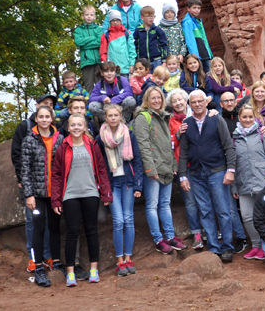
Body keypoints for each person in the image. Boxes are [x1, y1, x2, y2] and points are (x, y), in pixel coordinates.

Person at [51, 114, 112, 286]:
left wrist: (106, 192)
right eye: (73, 125)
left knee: (92, 231)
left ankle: (94, 270)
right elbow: (56, 175)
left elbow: (101, 169)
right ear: (68, 128)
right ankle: (70, 273)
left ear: (84, 127)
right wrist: (56, 200)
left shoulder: (92, 146)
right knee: (72, 233)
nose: (76, 127)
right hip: (70, 195)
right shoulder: (63, 147)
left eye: (79, 125)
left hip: (90, 193)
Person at [178, 89, 237, 262]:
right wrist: (183, 176)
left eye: (200, 101)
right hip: (196, 174)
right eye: (193, 102)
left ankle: (227, 247)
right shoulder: (187, 124)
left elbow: (228, 146)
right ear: (190, 105)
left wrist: (230, 170)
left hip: (217, 172)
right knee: (205, 211)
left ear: (205, 102)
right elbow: (183, 153)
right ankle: (214, 248)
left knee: (224, 211)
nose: (197, 104)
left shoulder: (216, 119)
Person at [133, 87, 187, 255]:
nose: (156, 100)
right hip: (154, 169)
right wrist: (150, 168)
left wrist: (173, 166)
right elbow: (143, 145)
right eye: (153, 98)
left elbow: (167, 144)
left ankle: (170, 236)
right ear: (147, 100)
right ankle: (158, 239)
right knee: (152, 205)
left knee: (165, 203)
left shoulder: (164, 116)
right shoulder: (143, 118)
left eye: (159, 98)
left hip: (166, 167)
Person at [11, 93, 57, 273]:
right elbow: (18, 156)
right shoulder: (25, 128)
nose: (47, 108)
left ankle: (47, 255)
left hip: (51, 188)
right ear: (37, 107)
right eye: (44, 105)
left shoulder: (57, 133)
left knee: (48, 223)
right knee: (33, 222)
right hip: (32, 187)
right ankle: (33, 258)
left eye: (50, 105)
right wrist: (22, 180)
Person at [96, 104, 143, 276]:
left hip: (128, 182)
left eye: (116, 115)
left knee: (129, 219)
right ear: (105, 118)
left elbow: (137, 160)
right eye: (110, 115)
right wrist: (104, 189)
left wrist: (139, 185)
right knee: (118, 220)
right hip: (112, 183)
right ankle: (119, 261)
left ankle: (128, 258)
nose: (113, 118)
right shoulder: (100, 138)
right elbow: (99, 166)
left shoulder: (128, 134)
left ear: (121, 116)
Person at [20, 105, 65, 287]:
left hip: (54, 194)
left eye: (48, 116)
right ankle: (38, 266)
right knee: (38, 229)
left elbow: (63, 168)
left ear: (52, 119)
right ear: (36, 119)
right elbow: (24, 169)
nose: (45, 119)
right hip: (37, 195)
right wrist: (28, 195)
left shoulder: (60, 139)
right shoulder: (29, 140)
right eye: (41, 117)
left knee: (54, 228)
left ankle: (55, 261)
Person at [231, 105, 265, 261]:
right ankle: (256, 245)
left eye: (250, 117)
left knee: (264, 216)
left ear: (255, 118)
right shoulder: (234, 137)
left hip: (263, 181)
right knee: (247, 216)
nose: (247, 120)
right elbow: (233, 163)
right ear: (239, 118)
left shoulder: (263, 134)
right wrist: (234, 185)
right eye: (244, 117)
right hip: (243, 183)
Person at [168, 89, 205, 250]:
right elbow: (168, 145)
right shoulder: (170, 121)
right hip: (184, 167)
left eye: (180, 100)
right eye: (174, 101)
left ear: (186, 101)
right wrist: (177, 134)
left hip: (201, 163)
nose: (178, 103)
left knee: (204, 198)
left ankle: (209, 230)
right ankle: (196, 232)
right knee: (190, 201)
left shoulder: (196, 115)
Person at [88, 61, 137, 125]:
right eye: (106, 71)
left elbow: (129, 93)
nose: (109, 74)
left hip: (120, 106)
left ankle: (122, 120)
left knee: (131, 101)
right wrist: (102, 98)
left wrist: (112, 100)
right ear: (102, 73)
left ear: (115, 71)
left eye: (111, 71)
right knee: (92, 106)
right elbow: (91, 99)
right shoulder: (99, 84)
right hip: (106, 108)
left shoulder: (122, 80)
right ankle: (107, 121)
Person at [73, 4, 102, 95]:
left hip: (98, 61)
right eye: (87, 15)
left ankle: (101, 103)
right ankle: (89, 105)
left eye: (91, 15)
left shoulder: (98, 29)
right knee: (88, 85)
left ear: (94, 16)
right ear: (82, 16)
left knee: (100, 84)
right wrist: (92, 38)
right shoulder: (78, 30)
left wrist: (85, 44)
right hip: (86, 62)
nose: (89, 17)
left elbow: (100, 42)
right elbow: (78, 42)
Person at [182, 0, 213, 74]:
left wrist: (210, 55)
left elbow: (204, 40)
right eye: (194, 8)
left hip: (204, 55)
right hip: (198, 56)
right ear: (188, 9)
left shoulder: (198, 21)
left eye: (199, 8)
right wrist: (195, 57)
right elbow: (190, 41)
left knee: (209, 76)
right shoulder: (188, 22)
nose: (197, 10)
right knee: (201, 76)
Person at [101, 10, 136, 76]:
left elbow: (131, 50)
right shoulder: (106, 35)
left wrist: (132, 64)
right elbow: (103, 52)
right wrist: (105, 66)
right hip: (111, 69)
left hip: (126, 67)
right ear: (110, 22)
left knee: (126, 85)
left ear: (121, 21)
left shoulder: (127, 34)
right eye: (113, 20)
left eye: (117, 20)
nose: (115, 22)